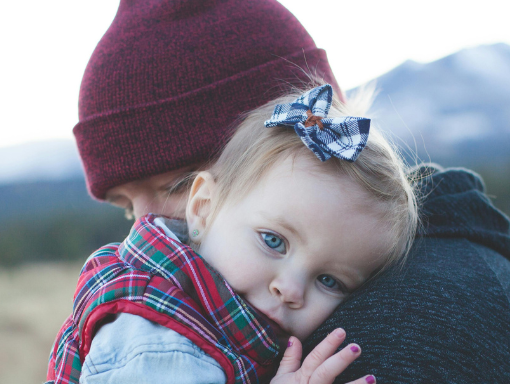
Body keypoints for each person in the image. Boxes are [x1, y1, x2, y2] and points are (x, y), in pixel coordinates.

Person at [59, 0, 510, 382]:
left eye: (171, 184)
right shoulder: (176, 325)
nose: (145, 231)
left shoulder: (392, 326)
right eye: (127, 207)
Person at [48, 84, 418, 384]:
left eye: (329, 280)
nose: (290, 290)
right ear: (203, 207)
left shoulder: (216, 321)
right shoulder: (161, 342)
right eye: (273, 241)